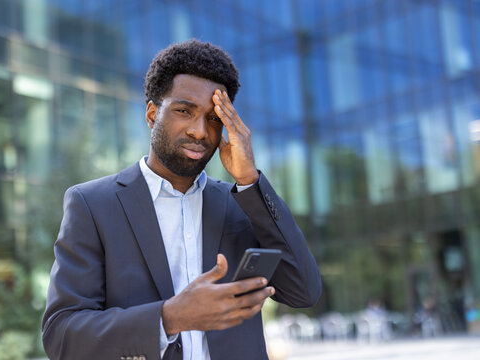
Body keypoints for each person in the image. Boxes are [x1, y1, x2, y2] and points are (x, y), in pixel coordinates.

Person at [42, 39, 321, 360]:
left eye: (214, 118)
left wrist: (249, 180)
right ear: (151, 114)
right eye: (184, 111)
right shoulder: (92, 204)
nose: (199, 131)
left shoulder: (243, 202)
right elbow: (62, 337)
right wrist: (171, 316)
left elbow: (304, 291)